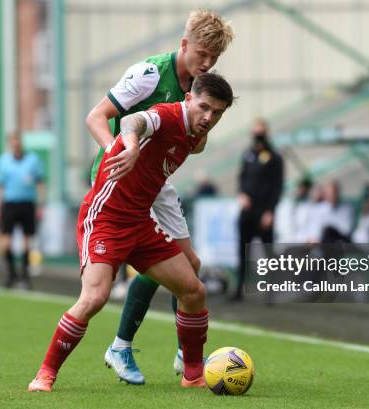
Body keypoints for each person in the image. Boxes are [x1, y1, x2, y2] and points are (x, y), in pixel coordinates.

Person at [28, 72, 235, 392]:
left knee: (194, 290)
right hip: (105, 219)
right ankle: (45, 374)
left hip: (140, 222)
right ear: (189, 98)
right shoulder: (166, 116)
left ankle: (193, 374)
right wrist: (132, 144)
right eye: (204, 107)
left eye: (217, 113)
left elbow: (179, 149)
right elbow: (134, 121)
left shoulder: (197, 136)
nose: (209, 118)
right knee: (95, 296)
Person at [85, 9, 234, 384]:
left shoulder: (200, 92)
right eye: (202, 54)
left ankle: (184, 355)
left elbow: (193, 145)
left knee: (191, 266)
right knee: (156, 266)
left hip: (156, 182)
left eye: (214, 59)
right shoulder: (149, 73)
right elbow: (97, 117)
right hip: (122, 175)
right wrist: (118, 153)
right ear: (184, 45)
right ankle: (123, 345)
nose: (207, 63)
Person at [234, 118, 284, 301]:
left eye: (260, 131)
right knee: (242, 251)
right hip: (247, 212)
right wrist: (241, 194)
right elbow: (241, 178)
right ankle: (239, 289)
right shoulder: (248, 154)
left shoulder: (274, 157)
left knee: (268, 253)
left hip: (264, 212)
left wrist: (270, 211)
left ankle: (271, 292)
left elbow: (277, 187)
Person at [0, 132, 45, 289]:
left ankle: (25, 275)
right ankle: (11, 274)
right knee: (6, 241)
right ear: (9, 144)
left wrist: (40, 205)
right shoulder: (3, 161)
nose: (16, 144)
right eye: (12, 142)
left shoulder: (33, 160)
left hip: (27, 204)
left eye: (18, 141)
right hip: (9, 204)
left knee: (27, 241)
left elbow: (40, 183)